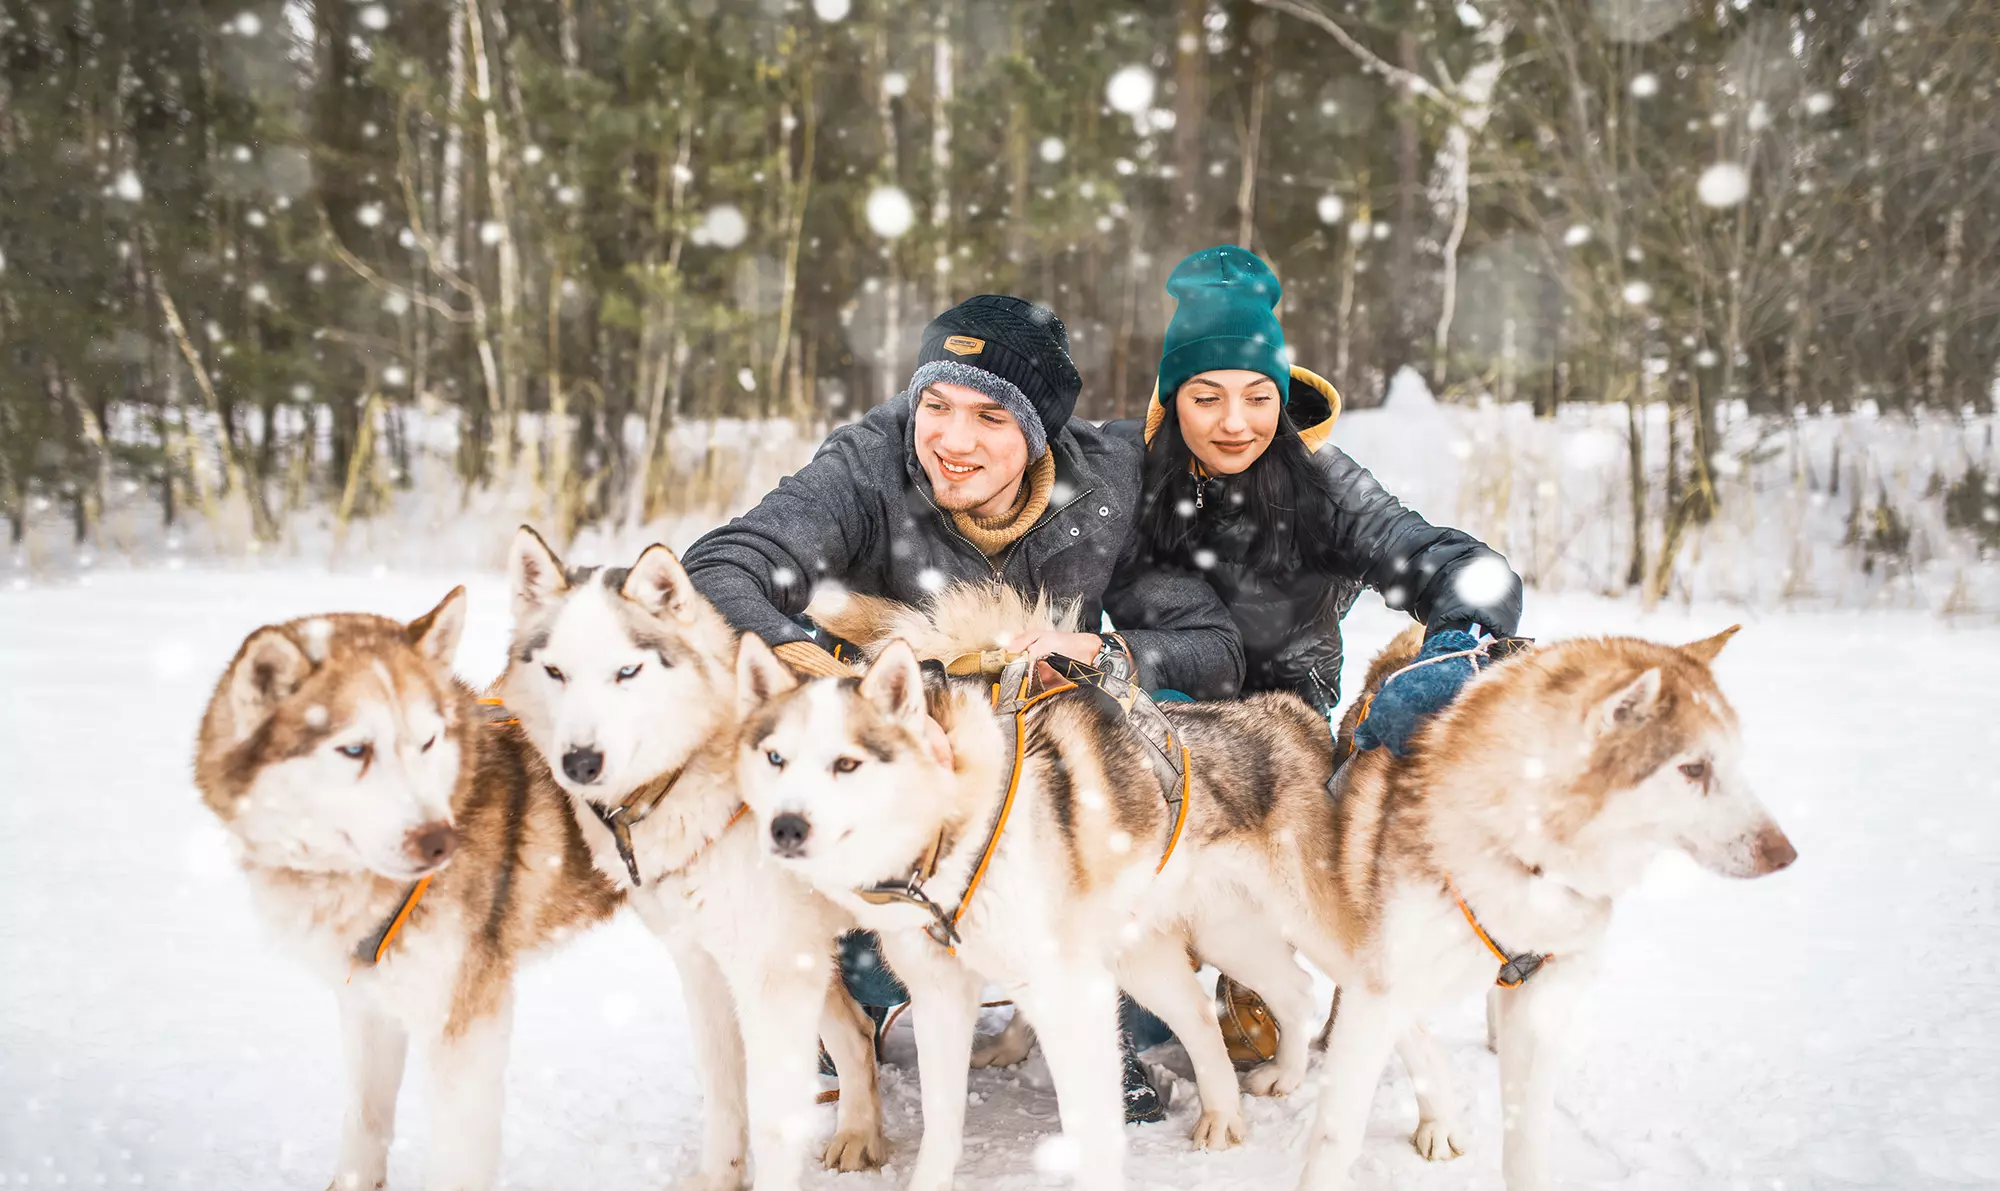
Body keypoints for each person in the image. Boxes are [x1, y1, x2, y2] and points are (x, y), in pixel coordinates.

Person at [682, 293, 1246, 1122]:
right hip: (914, 779)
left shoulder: (1107, 486)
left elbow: (1213, 644)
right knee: (880, 935)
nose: (951, 438)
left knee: (1156, 721)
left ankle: (1107, 1004)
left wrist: (1109, 655)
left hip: (1054, 780)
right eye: (935, 405)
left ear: (1040, 432)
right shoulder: (868, 465)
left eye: (990, 416)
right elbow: (718, 567)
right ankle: (851, 999)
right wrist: (832, 673)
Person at [1130, 244, 1524, 1060]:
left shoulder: (1325, 484)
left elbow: (1466, 570)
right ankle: (1138, 974)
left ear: (1283, 396)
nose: (1234, 422)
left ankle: (1272, 970)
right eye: (1206, 397)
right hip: (1169, 706)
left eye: (1255, 396)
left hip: (1288, 726)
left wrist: (1449, 650)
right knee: (1132, 792)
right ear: (1173, 405)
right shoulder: (1131, 487)